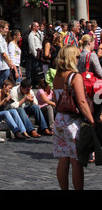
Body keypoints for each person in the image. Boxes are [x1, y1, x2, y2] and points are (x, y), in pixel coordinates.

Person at [53, 46, 95, 190]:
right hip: (72, 121)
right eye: (77, 57)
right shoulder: (74, 76)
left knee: (63, 159)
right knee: (76, 161)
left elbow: (55, 98)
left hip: (59, 119)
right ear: (71, 58)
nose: (79, 59)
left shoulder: (57, 76)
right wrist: (92, 120)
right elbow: (82, 102)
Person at [0, 20, 14, 88]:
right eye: (6, 28)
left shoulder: (2, 38)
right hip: (3, 65)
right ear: (1, 28)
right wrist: (9, 63)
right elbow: (3, 53)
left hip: (6, 65)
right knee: (4, 84)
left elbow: (6, 52)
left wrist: (10, 62)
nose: (7, 30)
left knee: (7, 83)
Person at [26, 21, 42, 88]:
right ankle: (34, 83)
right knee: (34, 69)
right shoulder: (31, 35)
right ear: (34, 27)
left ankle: (36, 82)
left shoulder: (38, 34)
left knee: (37, 70)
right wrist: (35, 54)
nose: (39, 27)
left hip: (39, 53)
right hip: (34, 54)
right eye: (37, 26)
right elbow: (32, 46)